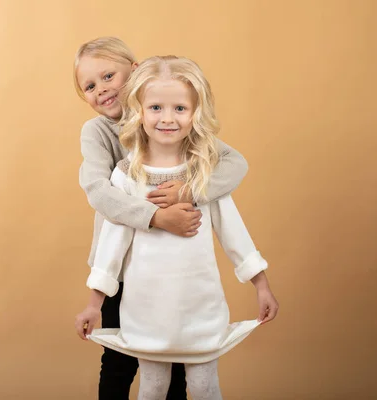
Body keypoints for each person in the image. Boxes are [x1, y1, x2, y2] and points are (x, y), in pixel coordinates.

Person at [75, 55, 279, 400]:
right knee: (150, 385)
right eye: (155, 108)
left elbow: (234, 233)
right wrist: (94, 303)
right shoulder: (125, 174)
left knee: (202, 386)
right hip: (145, 306)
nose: (167, 118)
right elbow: (112, 241)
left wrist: (261, 283)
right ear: (139, 110)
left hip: (198, 303)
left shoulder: (204, 173)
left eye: (179, 110)